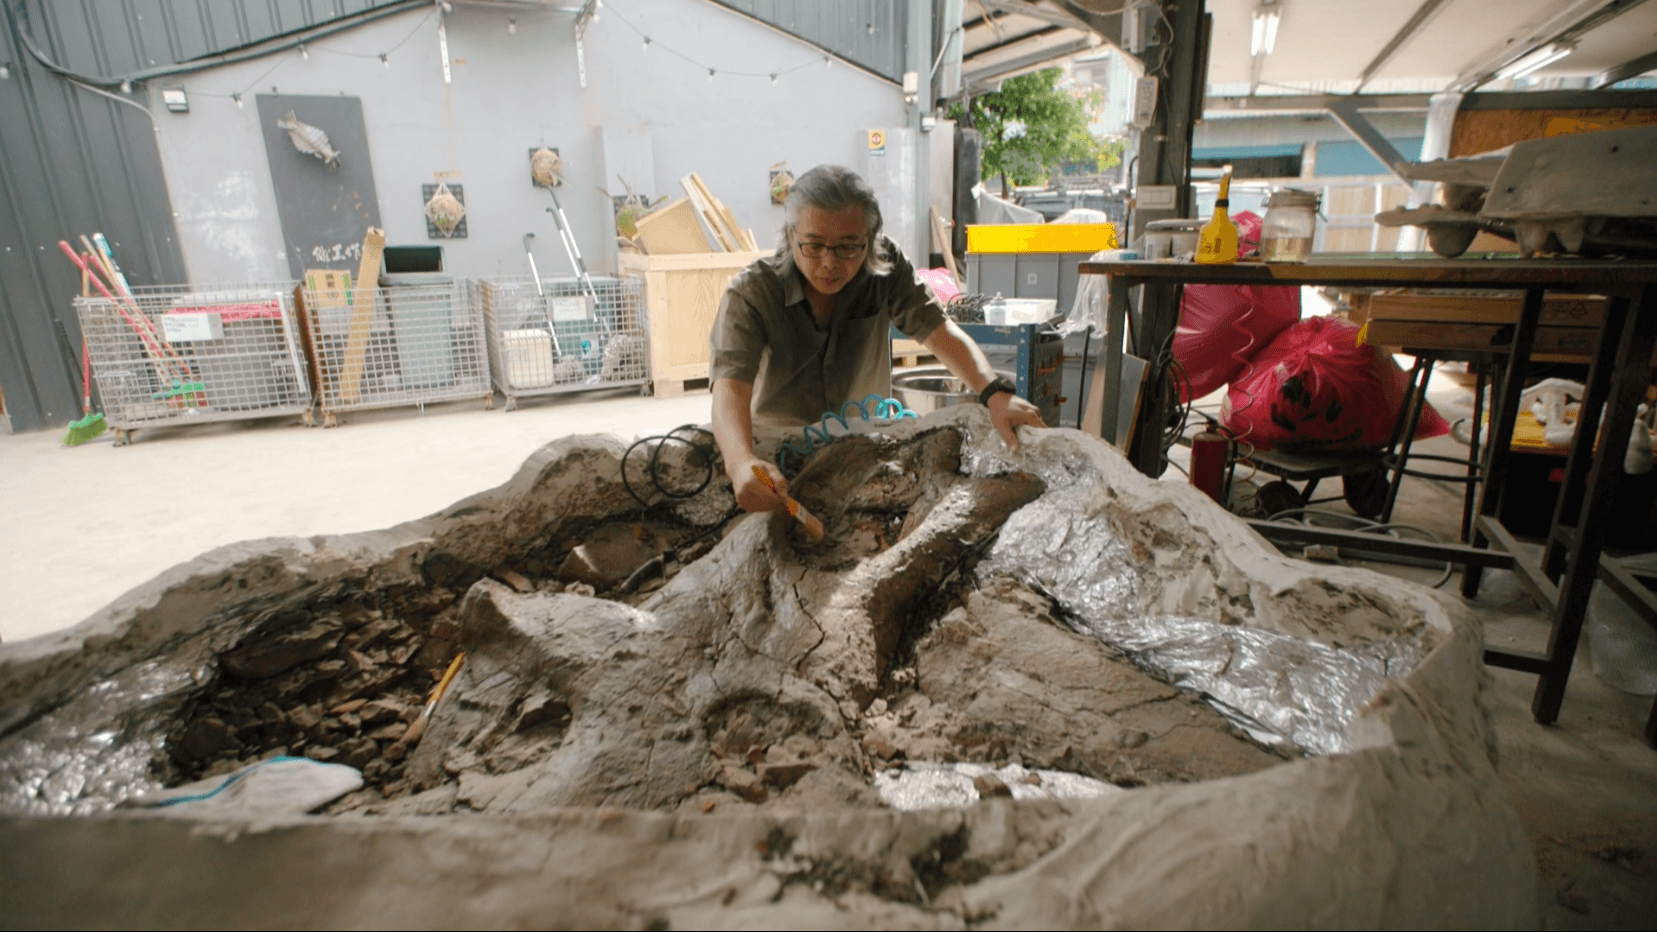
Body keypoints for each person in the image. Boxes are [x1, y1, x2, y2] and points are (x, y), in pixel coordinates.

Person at [709, 164, 1046, 514]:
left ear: (869, 240)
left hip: (865, 445)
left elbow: (937, 330)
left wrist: (993, 392)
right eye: (813, 246)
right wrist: (739, 462)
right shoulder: (751, 292)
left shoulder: (885, 267)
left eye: (848, 248)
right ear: (791, 235)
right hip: (778, 454)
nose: (829, 263)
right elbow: (729, 387)